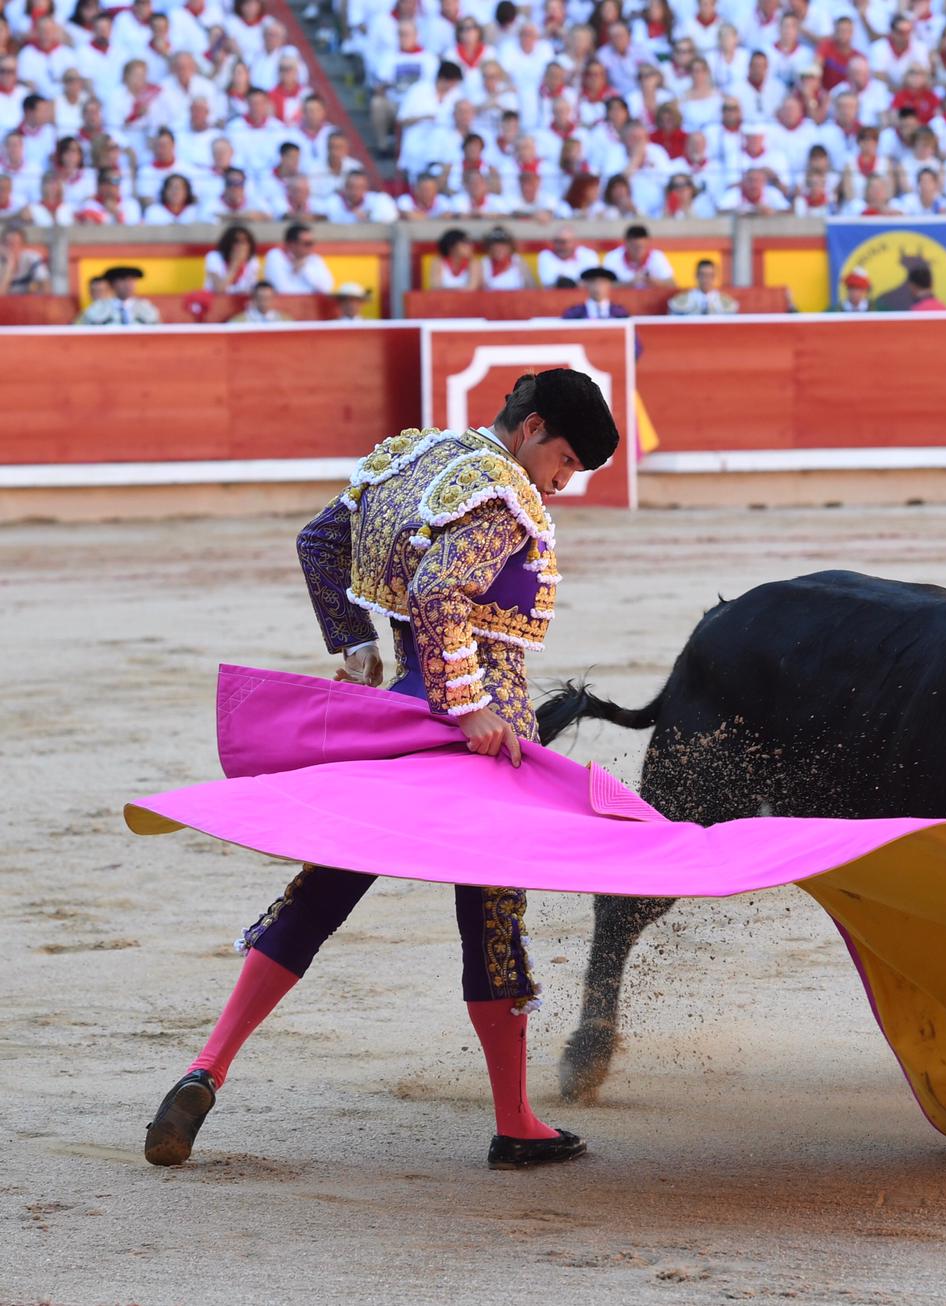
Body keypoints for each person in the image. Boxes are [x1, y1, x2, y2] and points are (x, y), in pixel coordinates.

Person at [143, 369, 620, 1172]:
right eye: (566, 461)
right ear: (534, 428)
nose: (561, 483)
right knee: (493, 916)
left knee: (323, 885)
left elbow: (319, 542)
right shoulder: (504, 494)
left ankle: (205, 1069)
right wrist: (470, 707)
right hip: (481, 737)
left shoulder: (412, 459)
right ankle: (515, 1122)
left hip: (397, 718)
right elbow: (439, 589)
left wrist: (357, 644)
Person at [263, 223, 334, 294]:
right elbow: (282, 290)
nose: (311, 247)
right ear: (292, 244)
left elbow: (326, 288)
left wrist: (304, 269)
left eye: (312, 243)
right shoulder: (276, 256)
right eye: (307, 243)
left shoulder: (315, 258)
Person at [76, 265, 161, 324]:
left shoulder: (146, 307)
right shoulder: (97, 307)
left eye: (131, 280)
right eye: (122, 280)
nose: (127, 284)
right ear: (112, 284)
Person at [600, 222, 675, 288]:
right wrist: (629, 284)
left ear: (648, 242)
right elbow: (603, 286)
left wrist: (656, 283)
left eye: (642, 247)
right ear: (626, 243)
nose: (639, 251)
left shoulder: (657, 257)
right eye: (635, 247)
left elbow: (672, 284)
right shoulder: (612, 257)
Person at [667, 258, 738, 314]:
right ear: (696, 275)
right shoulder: (680, 301)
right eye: (703, 275)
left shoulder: (726, 303)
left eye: (710, 275)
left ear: (714, 277)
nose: (706, 279)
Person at [204, 225, 261, 294]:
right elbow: (219, 289)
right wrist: (235, 264)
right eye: (236, 241)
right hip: (216, 299)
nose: (240, 245)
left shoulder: (252, 260)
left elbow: (251, 289)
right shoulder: (214, 257)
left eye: (244, 241)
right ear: (228, 243)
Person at [560, 264, 628, 318]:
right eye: (593, 282)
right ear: (586, 284)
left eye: (602, 282)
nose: (597, 286)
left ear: (610, 285)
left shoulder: (620, 313)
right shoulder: (574, 313)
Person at [479, 226, 536, 290]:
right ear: (489, 247)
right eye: (495, 244)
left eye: (503, 244)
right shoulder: (484, 263)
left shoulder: (518, 261)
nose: (498, 248)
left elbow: (531, 287)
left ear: (510, 246)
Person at [0, 219, 47, 294]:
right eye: (8, 243)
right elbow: (1, 294)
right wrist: (10, 264)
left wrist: (35, 286)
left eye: (15, 243)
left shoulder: (32, 257)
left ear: (23, 244)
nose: (12, 248)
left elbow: (46, 286)